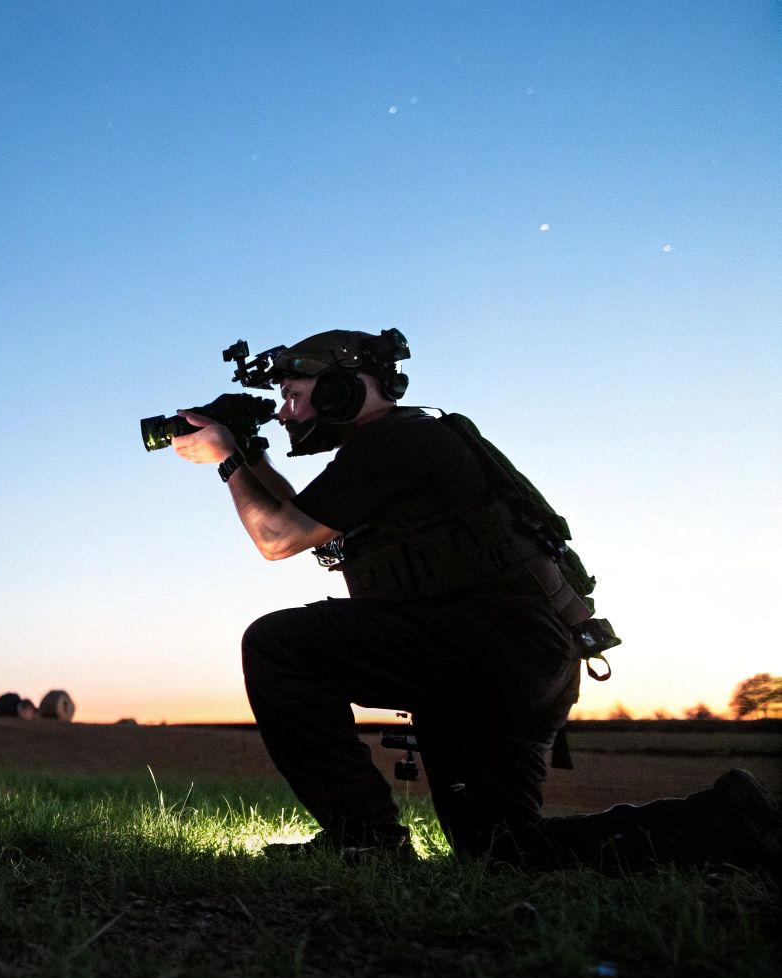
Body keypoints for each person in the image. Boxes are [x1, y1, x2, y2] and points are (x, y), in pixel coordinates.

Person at [166, 328, 780, 872]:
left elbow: (278, 537)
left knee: (279, 647)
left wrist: (228, 461)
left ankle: (365, 842)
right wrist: (250, 454)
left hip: (489, 645)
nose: (285, 411)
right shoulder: (403, 443)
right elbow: (301, 519)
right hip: (517, 656)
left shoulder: (396, 442)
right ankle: (728, 821)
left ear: (340, 388)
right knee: (502, 851)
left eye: (294, 393)